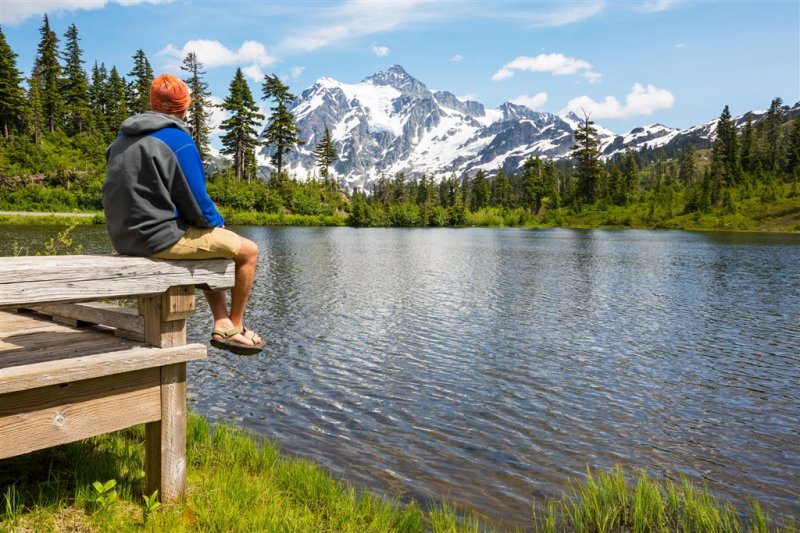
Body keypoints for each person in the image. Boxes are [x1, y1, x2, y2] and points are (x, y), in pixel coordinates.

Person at [103, 73, 264, 355]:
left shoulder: (121, 140)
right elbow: (199, 202)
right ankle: (234, 326)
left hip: (123, 238)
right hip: (158, 239)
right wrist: (218, 224)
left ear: (153, 103)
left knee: (213, 242)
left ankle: (222, 319)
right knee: (248, 251)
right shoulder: (177, 140)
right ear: (183, 107)